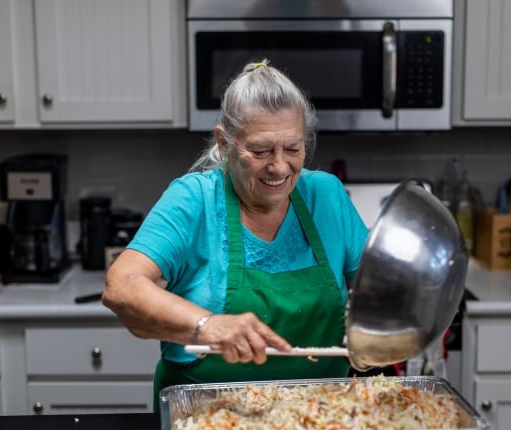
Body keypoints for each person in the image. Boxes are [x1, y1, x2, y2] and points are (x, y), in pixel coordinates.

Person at [101, 60, 369, 409]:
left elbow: (378, 294)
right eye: (260, 151)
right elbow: (121, 287)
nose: (279, 166)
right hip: (207, 423)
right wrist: (207, 326)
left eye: (293, 149)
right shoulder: (194, 200)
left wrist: (380, 334)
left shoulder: (327, 196)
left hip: (320, 422)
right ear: (224, 143)